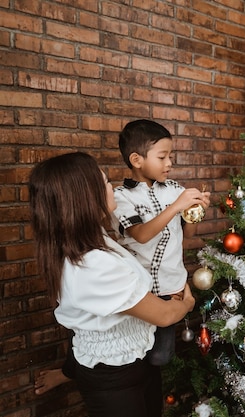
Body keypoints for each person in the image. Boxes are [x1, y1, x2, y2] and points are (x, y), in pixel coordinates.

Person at [29, 152, 196, 416]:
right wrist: (187, 303)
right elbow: (164, 315)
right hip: (115, 377)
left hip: (133, 363)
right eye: (106, 183)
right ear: (86, 197)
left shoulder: (91, 240)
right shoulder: (92, 264)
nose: (112, 188)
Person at [111, 119, 210, 367]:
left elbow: (188, 234)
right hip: (140, 293)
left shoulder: (173, 189)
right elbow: (141, 234)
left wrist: (195, 211)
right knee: (137, 353)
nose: (169, 163)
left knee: (161, 356)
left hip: (171, 288)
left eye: (170, 156)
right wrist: (177, 206)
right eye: (162, 157)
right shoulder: (121, 197)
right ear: (137, 160)